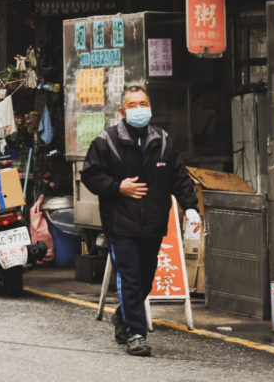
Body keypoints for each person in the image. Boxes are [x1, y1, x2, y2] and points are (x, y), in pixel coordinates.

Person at [80, 85, 200, 357]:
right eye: (132, 105)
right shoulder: (106, 141)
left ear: (150, 108)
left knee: (146, 280)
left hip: (154, 223)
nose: (139, 109)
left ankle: (123, 316)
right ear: (122, 111)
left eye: (143, 103)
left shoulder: (163, 141)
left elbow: (178, 177)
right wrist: (117, 186)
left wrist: (190, 207)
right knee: (131, 278)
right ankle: (136, 333)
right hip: (120, 223)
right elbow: (90, 175)